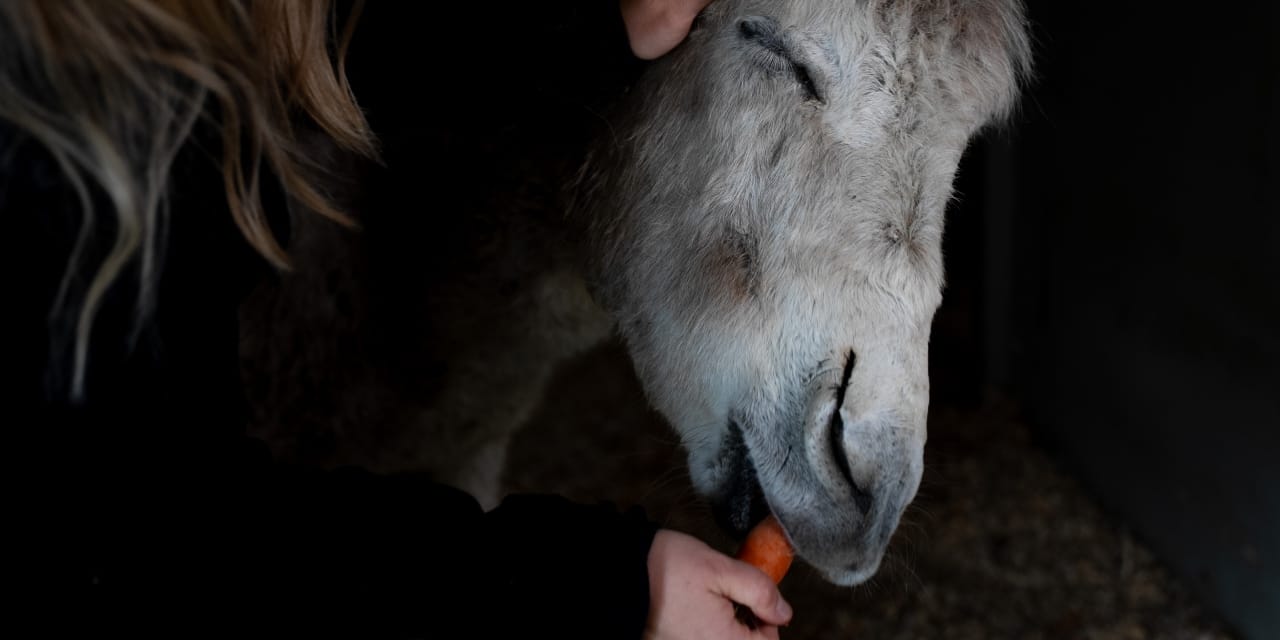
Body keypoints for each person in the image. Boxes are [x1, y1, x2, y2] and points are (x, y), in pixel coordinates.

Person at [1, 0, 792, 638]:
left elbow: (352, 35)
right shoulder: (57, 174)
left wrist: (591, 21)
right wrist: (609, 592)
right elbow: (158, 550)